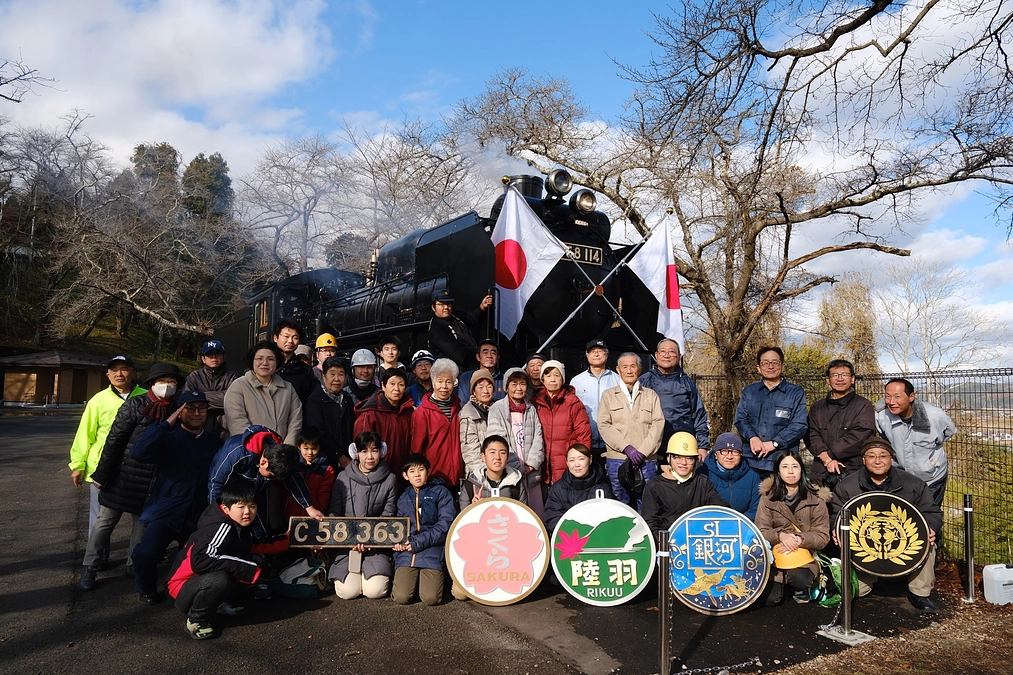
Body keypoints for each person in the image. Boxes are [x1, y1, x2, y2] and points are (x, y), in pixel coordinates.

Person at [81, 362, 184, 591]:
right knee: (105, 522)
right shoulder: (135, 405)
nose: (167, 387)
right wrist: (102, 474)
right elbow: (114, 441)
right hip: (124, 475)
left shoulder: (179, 408)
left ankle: (133, 563)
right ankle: (90, 566)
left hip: (155, 480)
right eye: (162, 382)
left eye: (172, 383)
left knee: (141, 525)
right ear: (151, 384)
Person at [128, 391, 223, 604]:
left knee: (192, 558)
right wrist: (165, 424)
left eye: (202, 408)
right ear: (179, 412)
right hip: (167, 509)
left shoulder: (213, 443)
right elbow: (138, 452)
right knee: (146, 554)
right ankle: (146, 589)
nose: (197, 413)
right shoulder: (168, 439)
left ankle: (177, 588)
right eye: (190, 408)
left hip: (198, 514)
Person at [829, 437, 942, 613]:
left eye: (883, 456)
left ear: (892, 458)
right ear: (863, 460)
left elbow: (931, 512)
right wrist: (835, 528)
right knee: (857, 590)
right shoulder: (847, 486)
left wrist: (929, 527)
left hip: (903, 545)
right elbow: (836, 513)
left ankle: (919, 592)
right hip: (864, 549)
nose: (877, 461)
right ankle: (870, 578)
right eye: (871, 456)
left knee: (927, 539)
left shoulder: (913, 484)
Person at [69, 355, 146, 569]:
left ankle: (135, 561)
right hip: (102, 468)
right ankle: (97, 559)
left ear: (133, 372)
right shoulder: (98, 400)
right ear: (108, 375)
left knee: (139, 518)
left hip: (137, 467)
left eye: (124, 369)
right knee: (100, 518)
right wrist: (78, 464)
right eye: (114, 370)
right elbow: (85, 433)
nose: (119, 374)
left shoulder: (146, 397)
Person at [208, 427, 321, 567]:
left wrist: (309, 507)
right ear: (263, 462)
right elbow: (216, 482)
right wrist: (216, 513)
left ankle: (260, 569)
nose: (275, 479)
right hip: (231, 496)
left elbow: (294, 480)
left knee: (259, 533)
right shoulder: (237, 452)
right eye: (272, 476)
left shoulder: (282, 455)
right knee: (231, 533)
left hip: (257, 494)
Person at [167, 480, 263, 640]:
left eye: (252, 506)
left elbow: (256, 546)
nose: (247, 512)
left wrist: (287, 540)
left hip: (198, 582)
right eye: (241, 507)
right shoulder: (219, 527)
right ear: (226, 508)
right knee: (221, 578)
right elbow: (201, 560)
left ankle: (217, 604)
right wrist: (250, 569)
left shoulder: (239, 525)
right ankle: (196, 621)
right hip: (180, 588)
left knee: (247, 562)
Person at [328, 431, 399, 600]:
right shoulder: (343, 477)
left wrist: (371, 541)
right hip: (346, 548)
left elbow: (388, 515)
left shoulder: (390, 479)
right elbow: (334, 513)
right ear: (356, 453)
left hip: (376, 548)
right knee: (347, 592)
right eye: (364, 451)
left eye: (374, 450)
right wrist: (347, 540)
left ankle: (367, 576)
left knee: (375, 591)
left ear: (381, 452)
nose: (369, 456)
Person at [756, 451, 831, 605]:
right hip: (775, 557)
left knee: (800, 579)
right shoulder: (767, 498)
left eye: (795, 467)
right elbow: (760, 531)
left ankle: (801, 585)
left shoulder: (816, 499)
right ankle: (782, 582)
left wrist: (799, 539)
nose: (790, 471)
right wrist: (780, 536)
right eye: (785, 467)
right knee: (770, 599)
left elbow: (823, 536)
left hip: (803, 555)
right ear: (778, 471)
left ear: (802, 470)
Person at [875, 378, 956, 509]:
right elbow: (883, 436)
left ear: (911, 396)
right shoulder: (882, 415)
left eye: (897, 397)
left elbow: (948, 431)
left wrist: (930, 458)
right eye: (887, 396)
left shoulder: (934, 415)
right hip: (900, 476)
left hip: (931, 477)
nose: (891, 402)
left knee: (929, 519)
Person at [597, 352, 664, 510]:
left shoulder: (651, 395)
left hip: (646, 460)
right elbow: (604, 424)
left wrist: (642, 451)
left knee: (648, 504)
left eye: (633, 366)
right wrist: (627, 448)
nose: (629, 371)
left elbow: (658, 424)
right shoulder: (608, 396)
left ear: (639, 369)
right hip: (617, 459)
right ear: (618, 370)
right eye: (625, 367)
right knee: (619, 505)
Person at [392, 453, 456, 606]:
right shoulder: (403, 497)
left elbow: (446, 524)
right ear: (405, 475)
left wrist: (418, 542)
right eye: (412, 471)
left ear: (428, 471)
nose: (417, 474)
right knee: (401, 597)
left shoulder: (441, 492)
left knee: (430, 598)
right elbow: (397, 526)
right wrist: (399, 542)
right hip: (408, 553)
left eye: (421, 470)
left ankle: (440, 578)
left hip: (433, 549)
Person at [734, 346, 808, 476]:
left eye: (775, 362)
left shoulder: (796, 393)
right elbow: (740, 419)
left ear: (782, 366)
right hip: (750, 461)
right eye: (765, 363)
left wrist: (774, 443)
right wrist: (753, 438)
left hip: (782, 461)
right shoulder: (749, 391)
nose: (770, 366)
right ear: (758, 368)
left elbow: (799, 425)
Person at [805, 359, 876, 489]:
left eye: (844, 375)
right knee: (820, 507)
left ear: (853, 379)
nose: (840, 379)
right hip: (821, 469)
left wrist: (831, 454)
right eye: (835, 375)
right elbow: (810, 433)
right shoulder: (818, 407)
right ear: (827, 379)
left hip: (852, 469)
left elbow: (860, 435)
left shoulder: (863, 405)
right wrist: (827, 459)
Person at [487, 367, 546, 515]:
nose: (518, 388)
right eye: (514, 384)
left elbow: (538, 437)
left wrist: (531, 464)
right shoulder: (497, 408)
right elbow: (498, 440)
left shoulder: (531, 409)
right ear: (506, 387)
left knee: (534, 512)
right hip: (509, 469)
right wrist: (516, 467)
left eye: (522, 384)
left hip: (530, 471)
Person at [641, 432, 727, 534]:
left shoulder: (703, 482)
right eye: (677, 457)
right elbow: (650, 523)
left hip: (698, 541)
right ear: (669, 458)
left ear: (695, 460)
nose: (683, 463)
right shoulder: (654, 486)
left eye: (689, 458)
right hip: (668, 544)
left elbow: (721, 510)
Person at [639, 338, 709, 460]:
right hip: (649, 446)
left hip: (682, 447)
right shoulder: (644, 381)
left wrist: (702, 445)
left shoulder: (687, 382)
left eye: (671, 352)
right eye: (663, 352)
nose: (666, 355)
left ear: (679, 356)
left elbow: (699, 415)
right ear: (656, 355)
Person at [223, 341, 302, 445]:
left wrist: (286, 447)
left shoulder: (288, 388)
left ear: (277, 362)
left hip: (282, 453)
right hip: (250, 452)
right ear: (252, 361)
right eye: (259, 359)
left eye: (270, 359)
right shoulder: (239, 386)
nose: (265, 363)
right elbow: (237, 422)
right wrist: (261, 447)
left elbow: (295, 420)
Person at [532, 359, 592, 485]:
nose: (552, 379)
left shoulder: (573, 403)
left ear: (563, 379)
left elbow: (584, 436)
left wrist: (579, 463)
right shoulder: (535, 403)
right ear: (542, 379)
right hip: (542, 466)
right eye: (548, 375)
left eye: (557, 375)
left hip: (566, 466)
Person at [411, 358, 464, 492]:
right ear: (433, 382)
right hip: (434, 476)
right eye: (440, 381)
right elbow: (417, 448)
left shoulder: (459, 408)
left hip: (458, 475)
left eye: (448, 382)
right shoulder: (423, 412)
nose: (444, 387)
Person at [353, 367, 414, 478]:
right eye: (392, 384)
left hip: (405, 473)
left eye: (401, 384)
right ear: (383, 386)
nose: (397, 388)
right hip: (379, 474)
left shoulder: (409, 410)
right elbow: (362, 449)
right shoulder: (370, 414)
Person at [543, 443, 614, 535]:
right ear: (567, 463)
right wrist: (573, 532)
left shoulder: (602, 488)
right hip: (569, 539)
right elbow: (552, 517)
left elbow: (610, 517)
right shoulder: (558, 488)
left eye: (581, 459)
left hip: (596, 538)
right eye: (572, 460)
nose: (577, 464)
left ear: (590, 460)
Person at [570, 339, 621, 462]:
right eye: (593, 351)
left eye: (600, 351)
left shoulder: (618, 380)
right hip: (586, 441)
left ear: (607, 354)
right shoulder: (576, 381)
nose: (596, 354)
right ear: (587, 355)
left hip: (612, 443)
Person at [302, 355, 354, 469]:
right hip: (324, 463)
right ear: (323, 376)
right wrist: (340, 456)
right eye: (332, 374)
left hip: (348, 459)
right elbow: (319, 433)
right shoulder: (315, 401)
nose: (337, 379)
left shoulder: (346, 398)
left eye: (341, 374)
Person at [696, 432, 761, 520]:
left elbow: (755, 508)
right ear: (716, 454)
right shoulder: (703, 473)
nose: (729, 456)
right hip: (708, 524)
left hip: (742, 526)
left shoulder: (753, 477)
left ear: (741, 455)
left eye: (735, 452)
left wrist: (738, 525)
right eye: (724, 451)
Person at [426, 288, 493, 371]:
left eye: (448, 304)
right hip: (455, 373)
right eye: (441, 304)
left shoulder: (455, 315)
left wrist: (482, 307)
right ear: (433, 307)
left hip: (472, 365)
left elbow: (471, 318)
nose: (446, 307)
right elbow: (459, 353)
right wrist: (480, 350)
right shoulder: (437, 330)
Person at [184, 340, 237, 437]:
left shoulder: (232, 376)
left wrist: (201, 397)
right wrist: (219, 397)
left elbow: (233, 399)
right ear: (203, 359)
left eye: (217, 353)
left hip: (226, 430)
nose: (214, 357)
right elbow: (187, 401)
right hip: (200, 429)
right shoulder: (194, 377)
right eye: (210, 354)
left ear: (224, 357)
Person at [460, 434, 528, 508]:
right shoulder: (470, 485)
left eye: (502, 453)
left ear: (508, 457)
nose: (497, 457)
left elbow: (523, 515)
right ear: (483, 456)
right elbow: (463, 516)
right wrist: (474, 508)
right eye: (492, 452)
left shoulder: (516, 483)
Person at [283, 429, 336, 518]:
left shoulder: (327, 470)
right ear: (299, 447)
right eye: (306, 448)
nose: (310, 453)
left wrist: (318, 509)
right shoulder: (292, 465)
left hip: (314, 515)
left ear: (320, 447)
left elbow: (324, 495)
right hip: (289, 515)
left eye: (314, 448)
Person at [459, 369, 496, 478]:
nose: (485, 391)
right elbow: (469, 449)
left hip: (499, 469)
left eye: (489, 386)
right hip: (479, 474)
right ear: (473, 391)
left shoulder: (499, 408)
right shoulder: (468, 413)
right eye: (480, 387)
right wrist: (484, 473)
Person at [272, 320, 316, 401]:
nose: (290, 341)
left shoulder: (305, 370)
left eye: (295, 337)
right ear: (275, 338)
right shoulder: (266, 365)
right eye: (286, 336)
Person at [457, 339, 505, 404]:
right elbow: (462, 403)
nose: (489, 356)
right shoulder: (466, 377)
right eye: (485, 352)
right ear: (478, 357)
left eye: (493, 353)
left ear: (498, 357)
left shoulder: (504, 379)